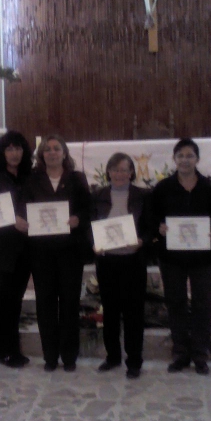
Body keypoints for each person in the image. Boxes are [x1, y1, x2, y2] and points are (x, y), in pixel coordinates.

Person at [150, 138, 211, 375]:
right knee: (175, 303)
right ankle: (180, 353)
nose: (185, 160)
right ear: (174, 159)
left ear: (197, 159)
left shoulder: (210, 186)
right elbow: (151, 216)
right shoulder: (163, 187)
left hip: (204, 256)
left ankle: (200, 354)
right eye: (181, 155)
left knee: (203, 304)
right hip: (172, 256)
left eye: (190, 155)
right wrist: (159, 227)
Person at [23, 134, 92, 372]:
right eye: (47, 149)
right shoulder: (32, 179)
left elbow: (88, 209)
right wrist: (22, 222)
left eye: (56, 148)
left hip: (70, 251)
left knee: (70, 303)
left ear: (64, 153)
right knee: (45, 304)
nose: (52, 152)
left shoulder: (76, 178)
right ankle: (50, 356)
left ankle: (69, 356)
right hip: (41, 252)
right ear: (41, 154)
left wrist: (78, 219)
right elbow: (23, 208)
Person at [92, 153, 151, 379]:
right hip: (107, 260)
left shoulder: (142, 196)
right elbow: (90, 225)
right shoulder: (97, 195)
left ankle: (134, 360)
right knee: (111, 310)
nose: (119, 174)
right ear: (108, 172)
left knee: (134, 312)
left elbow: (149, 225)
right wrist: (94, 243)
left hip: (133, 260)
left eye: (124, 170)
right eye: (115, 170)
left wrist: (142, 240)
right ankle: (113, 357)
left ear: (131, 173)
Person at [0, 131, 32, 368]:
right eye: (10, 149)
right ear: (2, 152)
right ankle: (4, 351)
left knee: (16, 300)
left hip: (23, 248)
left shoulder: (29, 176)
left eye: (18, 148)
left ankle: (15, 349)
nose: (14, 153)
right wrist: (14, 222)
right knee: (2, 301)